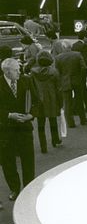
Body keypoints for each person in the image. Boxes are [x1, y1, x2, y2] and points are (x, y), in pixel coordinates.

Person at [0, 58, 38, 200]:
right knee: (7, 161)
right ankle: (14, 188)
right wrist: (9, 115)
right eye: (16, 70)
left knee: (28, 159)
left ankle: (29, 188)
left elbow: (37, 101)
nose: (19, 72)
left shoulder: (26, 81)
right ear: (7, 72)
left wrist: (31, 115)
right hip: (5, 130)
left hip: (24, 128)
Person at [29, 51, 62, 153]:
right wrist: (60, 102)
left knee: (40, 125)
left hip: (39, 100)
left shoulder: (33, 73)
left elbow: (32, 88)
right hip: (52, 99)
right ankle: (55, 140)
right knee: (53, 121)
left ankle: (43, 147)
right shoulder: (54, 72)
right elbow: (58, 89)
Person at [55, 40, 87, 128]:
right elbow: (84, 68)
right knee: (79, 100)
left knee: (67, 103)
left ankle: (70, 122)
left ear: (63, 47)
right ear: (71, 47)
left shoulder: (58, 57)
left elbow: (56, 72)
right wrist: (81, 77)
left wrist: (60, 80)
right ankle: (83, 119)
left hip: (65, 81)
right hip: (77, 80)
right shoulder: (77, 54)